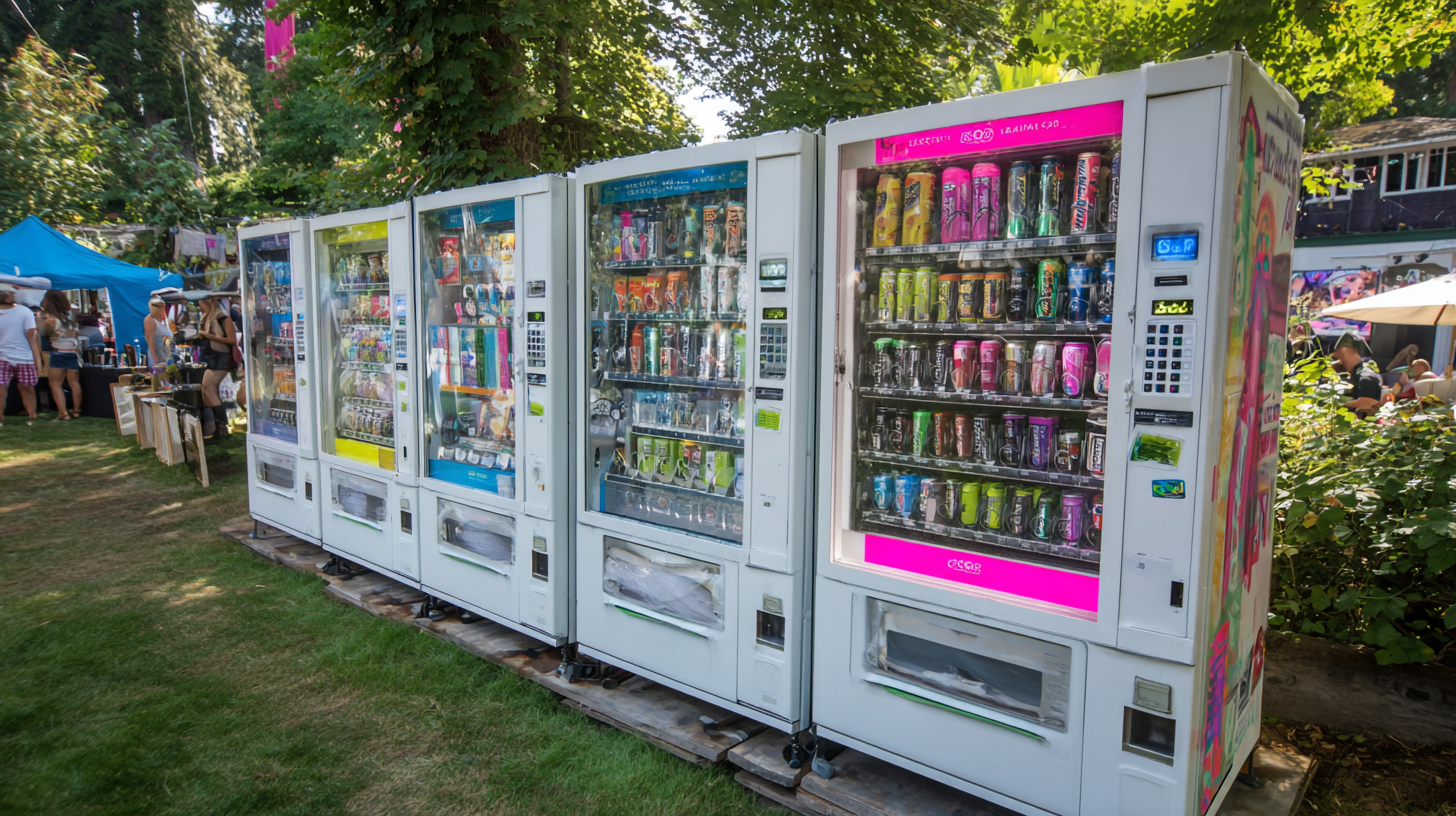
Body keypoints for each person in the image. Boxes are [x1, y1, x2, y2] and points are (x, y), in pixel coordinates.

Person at [0, 282, 42, 426]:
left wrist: (37, 359)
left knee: (27, 387)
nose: (11, 295)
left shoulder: (24, 311)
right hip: (3, 357)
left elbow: (32, 337)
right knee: (2, 389)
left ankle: (32, 416)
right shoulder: (24, 311)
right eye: (8, 293)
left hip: (24, 357)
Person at [197, 295, 237, 438]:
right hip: (208, 357)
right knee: (205, 389)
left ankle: (222, 428)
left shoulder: (224, 318)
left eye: (201, 303)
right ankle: (212, 426)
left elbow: (232, 339)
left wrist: (209, 336)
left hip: (221, 358)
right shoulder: (205, 319)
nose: (200, 306)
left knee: (210, 390)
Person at [40, 290, 83, 420]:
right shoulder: (71, 318)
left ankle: (64, 413)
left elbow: (42, 333)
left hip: (58, 353)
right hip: (73, 353)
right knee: (74, 383)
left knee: (55, 384)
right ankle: (76, 411)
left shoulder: (50, 320)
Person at [1331, 333, 1382, 416]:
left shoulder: (1366, 374)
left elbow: (1368, 402)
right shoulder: (1357, 373)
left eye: (1338, 356)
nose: (1337, 361)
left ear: (1346, 351)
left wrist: (1335, 406)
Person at [143, 295, 175, 386]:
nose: (164, 308)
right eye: (161, 306)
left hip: (167, 354)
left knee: (170, 379)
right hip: (158, 353)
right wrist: (155, 358)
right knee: (160, 380)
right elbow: (149, 339)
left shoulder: (165, 318)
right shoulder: (149, 319)